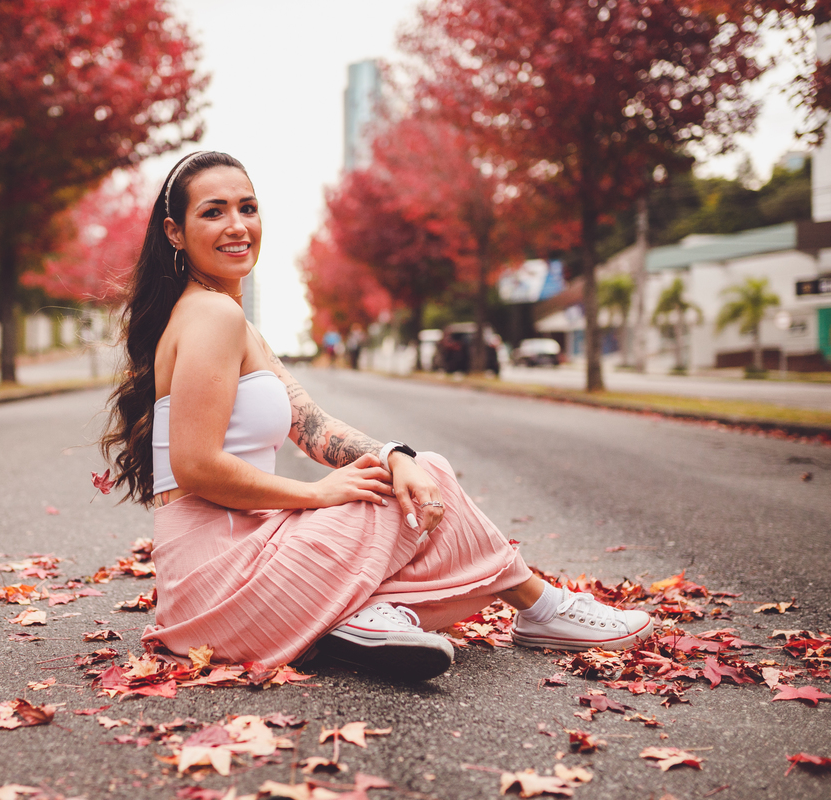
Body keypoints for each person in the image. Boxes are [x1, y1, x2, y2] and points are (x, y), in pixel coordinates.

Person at [100, 151, 653, 682]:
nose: (237, 225)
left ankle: (363, 620)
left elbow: (314, 427)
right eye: (213, 212)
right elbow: (196, 466)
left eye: (248, 207)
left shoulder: (228, 322)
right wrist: (318, 494)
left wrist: (394, 456)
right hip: (224, 577)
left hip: (213, 589)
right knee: (427, 479)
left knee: (414, 474)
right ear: (175, 232)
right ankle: (542, 608)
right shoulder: (212, 315)